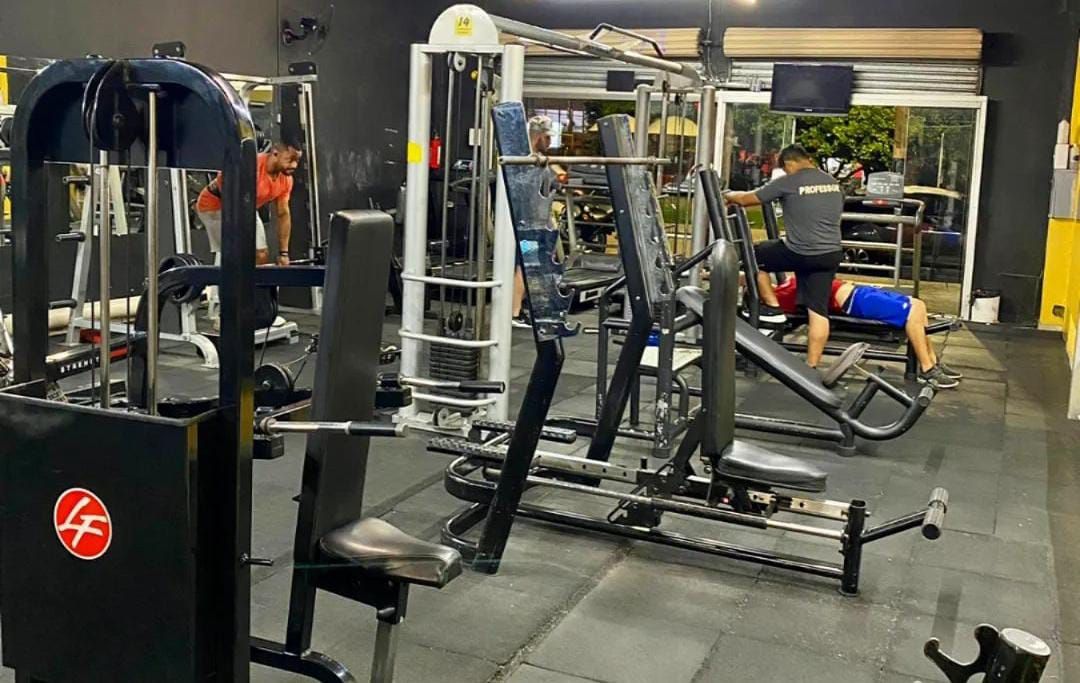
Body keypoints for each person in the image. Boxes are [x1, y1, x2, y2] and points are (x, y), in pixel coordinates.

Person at [725, 144, 843, 368]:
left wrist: (727, 195)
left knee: (752, 256)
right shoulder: (832, 182)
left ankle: (772, 307)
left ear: (789, 163)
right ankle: (811, 367)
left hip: (799, 251)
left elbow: (748, 199)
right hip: (829, 254)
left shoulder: (790, 181)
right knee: (818, 311)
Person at [772, 276, 963, 389]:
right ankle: (927, 369)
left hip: (857, 292)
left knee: (919, 304)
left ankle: (932, 361)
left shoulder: (787, 284)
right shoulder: (780, 296)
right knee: (912, 311)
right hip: (854, 302)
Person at [195, 138, 301, 266]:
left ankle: (249, 279)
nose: (294, 165)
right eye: (289, 160)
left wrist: (284, 253)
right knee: (232, 254)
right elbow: (225, 184)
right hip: (215, 206)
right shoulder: (251, 166)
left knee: (261, 254)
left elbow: (283, 214)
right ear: (275, 153)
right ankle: (220, 277)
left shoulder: (286, 180)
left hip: (247, 208)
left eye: (297, 160)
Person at [512, 115, 561, 328]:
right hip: (528, 224)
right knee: (525, 266)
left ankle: (522, 308)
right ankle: (514, 314)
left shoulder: (538, 160)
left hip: (537, 222)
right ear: (538, 136)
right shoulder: (526, 162)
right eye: (547, 138)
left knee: (532, 265)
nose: (549, 142)